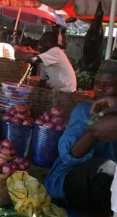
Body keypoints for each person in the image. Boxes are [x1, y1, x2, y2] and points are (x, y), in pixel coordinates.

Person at [44, 59, 117, 217]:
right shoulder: (84, 110)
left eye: (108, 85)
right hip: (75, 180)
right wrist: (93, 127)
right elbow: (72, 155)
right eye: (97, 83)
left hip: (108, 191)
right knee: (106, 168)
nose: (100, 89)